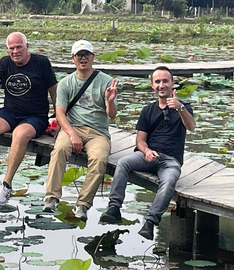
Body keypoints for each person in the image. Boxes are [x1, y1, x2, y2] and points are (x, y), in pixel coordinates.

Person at [99, 66, 196, 240]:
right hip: (148, 156)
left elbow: (191, 126)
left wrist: (180, 108)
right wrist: (146, 151)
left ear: (172, 84)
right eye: (157, 82)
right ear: (152, 85)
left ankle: (150, 222)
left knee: (168, 181)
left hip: (170, 160)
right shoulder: (148, 110)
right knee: (123, 163)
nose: (161, 85)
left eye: (165, 81)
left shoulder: (184, 107)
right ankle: (114, 208)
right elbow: (140, 140)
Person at [43, 40, 119, 221]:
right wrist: (71, 133)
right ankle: (51, 197)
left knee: (99, 158)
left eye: (86, 55)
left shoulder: (106, 81)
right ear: (73, 58)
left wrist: (109, 100)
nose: (83, 58)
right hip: (72, 127)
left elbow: (112, 115)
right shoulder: (66, 83)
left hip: (97, 132)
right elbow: (60, 113)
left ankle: (83, 204)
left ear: (93, 57)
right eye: (79, 55)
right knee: (59, 150)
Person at [0, 31, 57, 205]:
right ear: (7, 50)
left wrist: (59, 117)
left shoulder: (41, 63)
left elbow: (54, 90)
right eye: (11, 48)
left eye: (18, 47)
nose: (15, 51)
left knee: (20, 134)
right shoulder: (5, 63)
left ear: (26, 47)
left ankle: (6, 185)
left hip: (35, 116)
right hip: (10, 112)